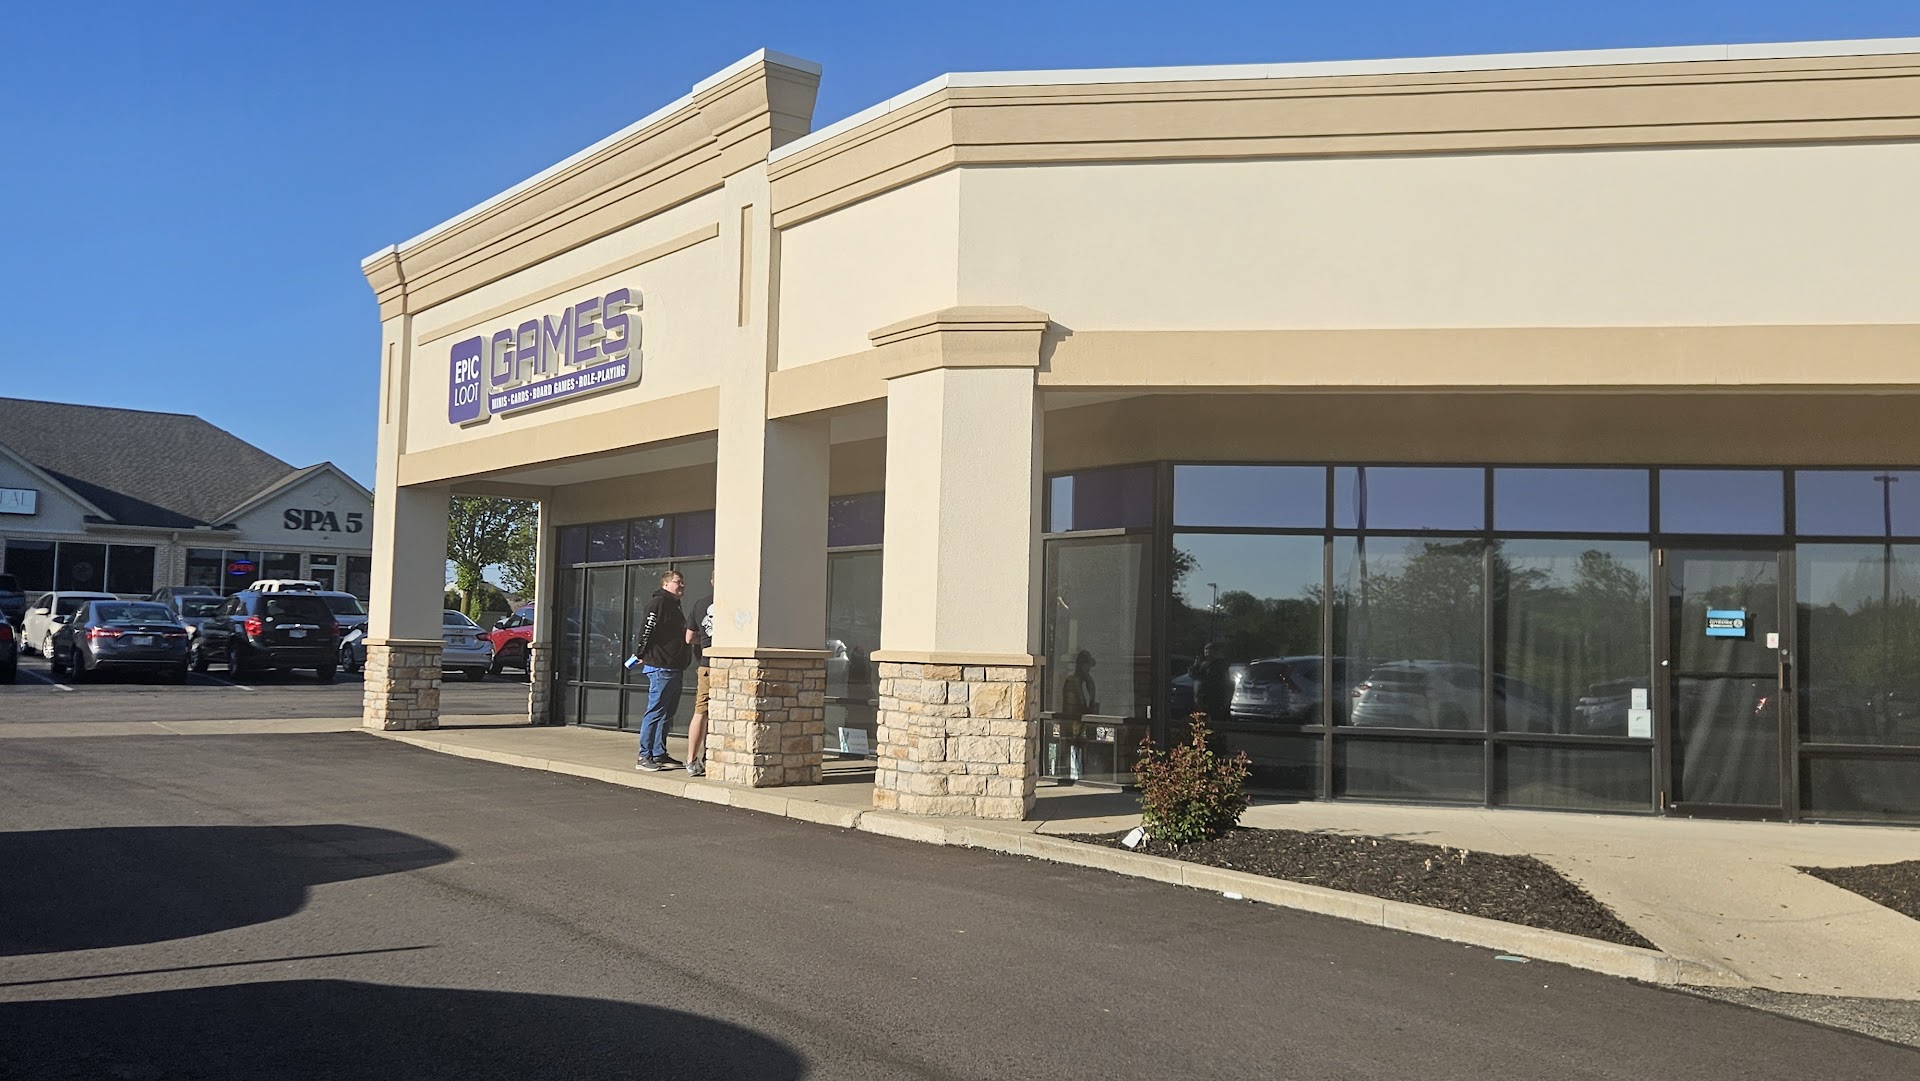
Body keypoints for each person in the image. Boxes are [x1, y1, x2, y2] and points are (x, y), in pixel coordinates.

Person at [631, 569, 692, 771]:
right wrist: (640, 653)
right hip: (661, 666)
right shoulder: (658, 603)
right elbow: (647, 630)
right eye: (677, 582)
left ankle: (659, 753)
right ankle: (644, 755)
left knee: (667, 712)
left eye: (682, 582)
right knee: (655, 711)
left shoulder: (674, 605)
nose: (681, 585)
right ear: (666, 584)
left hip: (674, 666)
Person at [683, 580, 716, 777]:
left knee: (701, 711)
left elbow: (689, 638)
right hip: (728, 662)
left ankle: (691, 760)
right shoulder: (734, 601)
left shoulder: (700, 604)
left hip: (706, 663)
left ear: (712, 582)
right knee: (715, 712)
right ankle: (709, 756)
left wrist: (704, 642)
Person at [1188, 641, 1232, 721]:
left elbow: (1212, 678)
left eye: (1209, 651)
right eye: (1206, 650)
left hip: (1214, 697)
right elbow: (1193, 675)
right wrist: (1196, 665)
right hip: (1201, 697)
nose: (1207, 653)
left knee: (1215, 719)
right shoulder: (1203, 664)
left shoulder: (1219, 664)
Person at [1060, 649, 1099, 719]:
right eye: (1087, 665)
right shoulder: (1071, 683)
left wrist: (1092, 694)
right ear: (1081, 665)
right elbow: (1072, 711)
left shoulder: (1084, 684)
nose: (1089, 669)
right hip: (1072, 722)